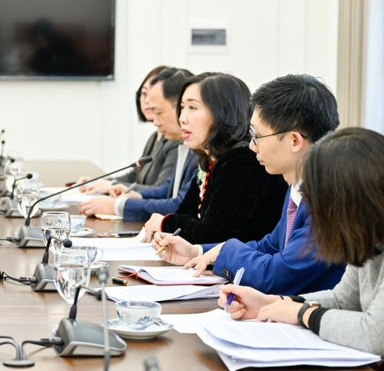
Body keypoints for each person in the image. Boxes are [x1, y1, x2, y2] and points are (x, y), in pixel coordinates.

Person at [219, 128, 384, 371]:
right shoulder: (372, 234)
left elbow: (377, 333)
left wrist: (301, 314)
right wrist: (273, 303)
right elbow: (341, 299)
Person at [154, 75, 345, 294]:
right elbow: (270, 246)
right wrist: (197, 252)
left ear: (294, 141)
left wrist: (225, 250)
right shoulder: (298, 186)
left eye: (258, 136)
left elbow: (276, 275)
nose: (252, 147)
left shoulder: (329, 200)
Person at [141, 72, 287, 244]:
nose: (182, 118)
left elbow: (214, 235)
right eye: (182, 107)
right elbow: (185, 214)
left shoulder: (242, 161)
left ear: (222, 113)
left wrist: (165, 223)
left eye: (192, 108)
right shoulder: (209, 159)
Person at [79, 67, 197, 220]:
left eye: (159, 113)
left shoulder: (195, 151)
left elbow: (177, 205)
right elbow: (167, 190)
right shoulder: (181, 145)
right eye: (143, 93)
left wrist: (117, 206)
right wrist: (135, 195)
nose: (155, 121)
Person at [78, 65, 177, 193]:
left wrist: (110, 186)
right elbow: (135, 175)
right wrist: (101, 183)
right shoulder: (155, 137)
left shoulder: (175, 141)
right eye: (144, 93)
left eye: (153, 95)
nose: (147, 100)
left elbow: (161, 191)